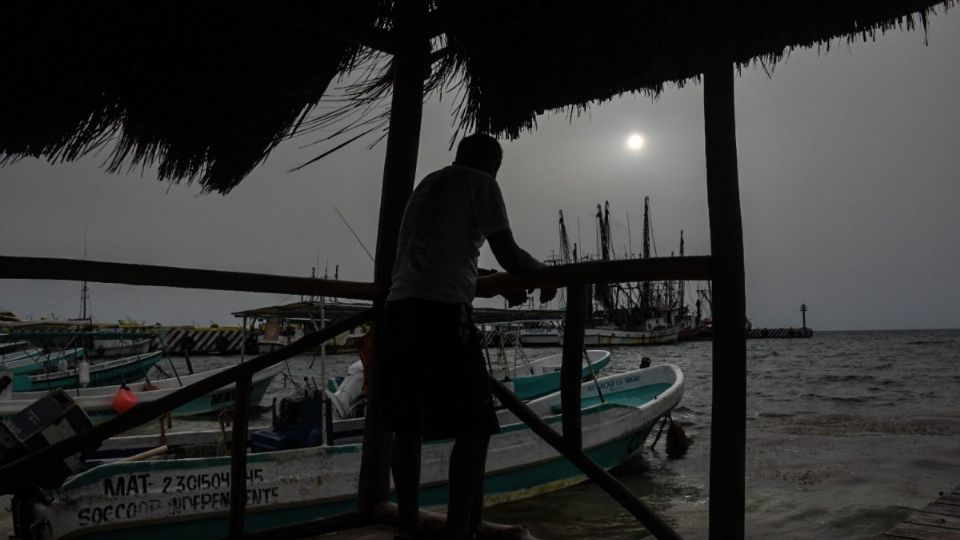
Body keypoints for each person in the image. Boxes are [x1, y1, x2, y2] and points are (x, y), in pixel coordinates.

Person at [383, 133, 556, 540]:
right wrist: (542, 274)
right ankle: (462, 528)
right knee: (476, 426)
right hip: (441, 314)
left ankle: (408, 527)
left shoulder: (428, 184)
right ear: (494, 164)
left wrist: (492, 281)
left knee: (406, 426)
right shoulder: (482, 184)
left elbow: (440, 257)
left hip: (399, 309)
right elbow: (509, 252)